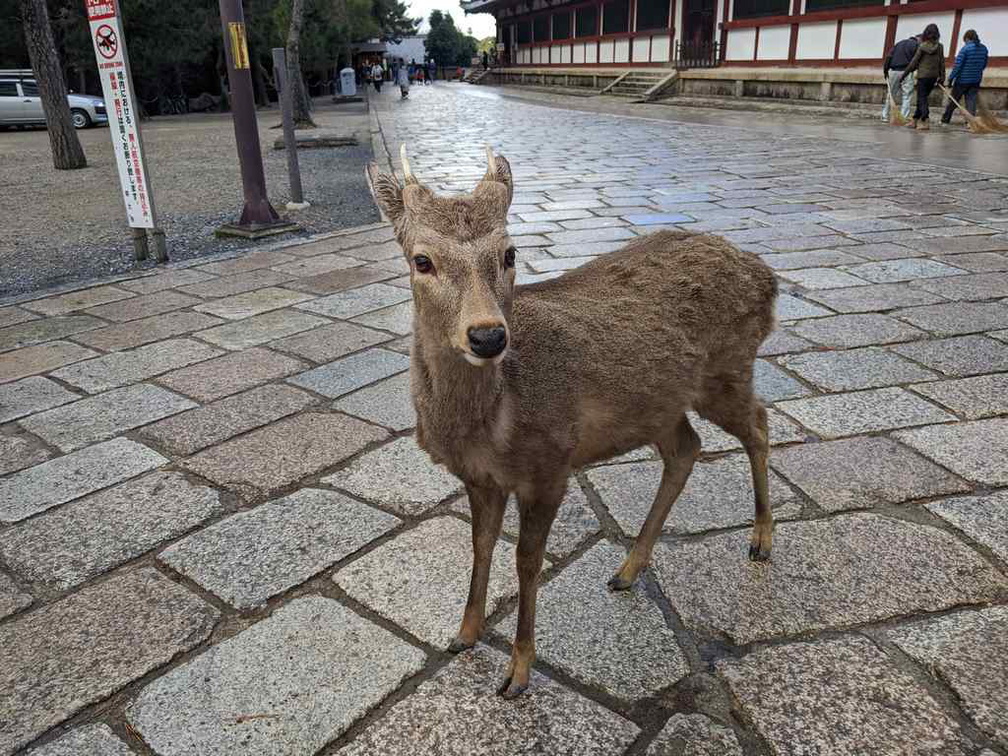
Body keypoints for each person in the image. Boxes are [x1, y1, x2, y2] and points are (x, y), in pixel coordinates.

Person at [900, 24, 944, 130]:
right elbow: (942, 62)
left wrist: (904, 74)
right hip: (933, 76)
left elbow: (914, 62)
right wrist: (942, 77)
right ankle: (915, 120)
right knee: (922, 99)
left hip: (923, 76)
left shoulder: (922, 46)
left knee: (922, 98)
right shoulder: (940, 46)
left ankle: (925, 119)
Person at [941, 29, 989, 125]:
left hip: (962, 80)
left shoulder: (965, 49)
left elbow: (958, 66)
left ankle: (945, 120)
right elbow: (984, 64)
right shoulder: (984, 48)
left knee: (954, 100)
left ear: (967, 38)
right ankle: (970, 122)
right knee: (971, 101)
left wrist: (951, 78)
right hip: (976, 80)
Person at [882, 33, 918, 121]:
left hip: (894, 71)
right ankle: (903, 118)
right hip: (907, 71)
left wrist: (885, 70)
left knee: (891, 95)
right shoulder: (916, 45)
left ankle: (885, 116)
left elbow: (889, 56)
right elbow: (917, 60)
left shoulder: (899, 44)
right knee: (906, 96)